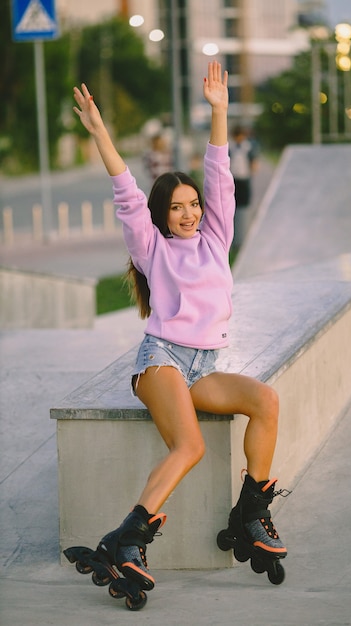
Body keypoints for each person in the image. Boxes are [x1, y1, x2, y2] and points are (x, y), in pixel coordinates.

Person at [72, 61, 285, 593]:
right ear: (162, 215)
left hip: (204, 366)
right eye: (177, 208)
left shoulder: (216, 239)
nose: (189, 214)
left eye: (193, 205)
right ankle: (127, 538)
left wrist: (220, 111)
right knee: (189, 447)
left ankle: (250, 515)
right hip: (161, 360)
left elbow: (219, 175)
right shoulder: (153, 251)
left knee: (267, 401)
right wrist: (101, 134)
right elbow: (125, 190)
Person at [229, 124, 259, 247]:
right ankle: (235, 238)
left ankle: (243, 237)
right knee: (232, 207)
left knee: (244, 206)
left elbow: (254, 161)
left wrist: (251, 173)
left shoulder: (249, 146)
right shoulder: (230, 147)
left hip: (244, 178)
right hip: (233, 179)